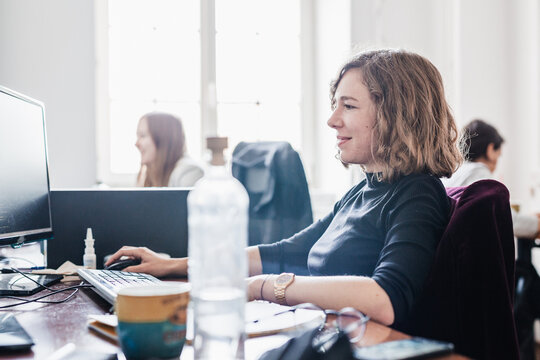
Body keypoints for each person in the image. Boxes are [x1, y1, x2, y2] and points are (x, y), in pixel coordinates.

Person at [107, 49, 462, 328]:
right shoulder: (364, 191)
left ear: (396, 115)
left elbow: (386, 298)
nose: (332, 119)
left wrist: (265, 287)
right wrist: (174, 265)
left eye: (349, 106)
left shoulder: (417, 194)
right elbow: (281, 253)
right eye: (335, 104)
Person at [442, 119, 540, 239]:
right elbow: (508, 220)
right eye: (499, 155)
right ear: (490, 150)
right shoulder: (480, 176)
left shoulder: (455, 173)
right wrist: (536, 223)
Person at [135, 112, 204, 187]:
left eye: (142, 136)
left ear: (162, 139)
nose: (136, 144)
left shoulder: (188, 172)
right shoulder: (151, 174)